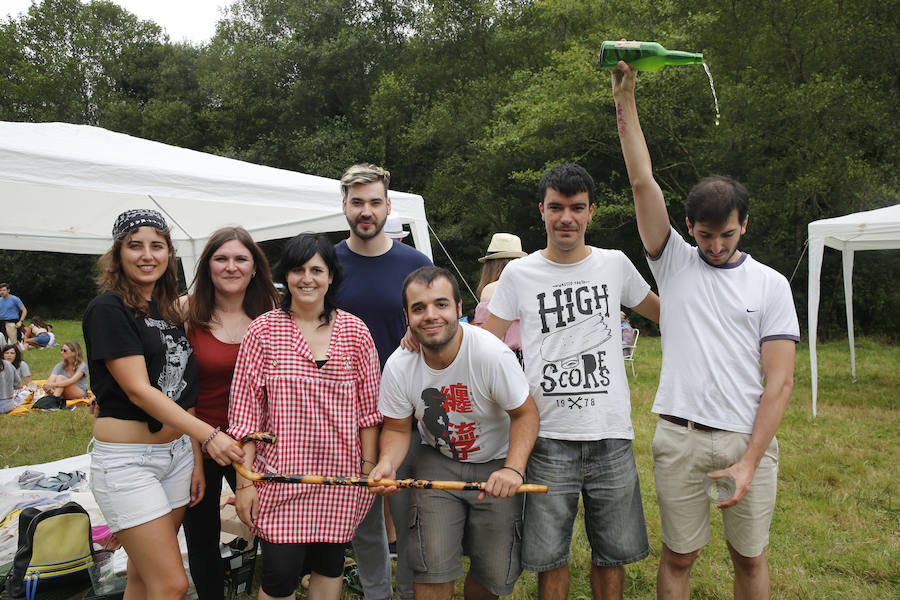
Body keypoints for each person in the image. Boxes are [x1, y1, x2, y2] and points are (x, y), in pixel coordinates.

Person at [612, 60, 799, 600]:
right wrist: (625, 101)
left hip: (747, 439)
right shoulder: (673, 262)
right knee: (679, 557)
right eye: (706, 235)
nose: (717, 246)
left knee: (750, 559)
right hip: (680, 438)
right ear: (689, 227)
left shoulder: (770, 286)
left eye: (728, 235)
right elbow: (642, 181)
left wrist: (749, 460)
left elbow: (780, 383)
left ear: (745, 224)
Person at [482, 163, 660, 600]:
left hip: (610, 434)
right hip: (547, 437)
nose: (567, 218)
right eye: (557, 207)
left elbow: (668, 313)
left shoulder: (614, 265)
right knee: (549, 555)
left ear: (591, 212)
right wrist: (429, 337)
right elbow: (485, 343)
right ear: (541, 211)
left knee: (612, 554)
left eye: (577, 208)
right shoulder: (518, 275)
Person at [82, 208, 245, 600]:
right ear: (118, 253)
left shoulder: (169, 310)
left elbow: (183, 391)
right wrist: (209, 437)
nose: (146, 255)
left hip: (175, 457)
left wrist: (190, 457)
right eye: (134, 245)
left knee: (143, 577)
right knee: (171, 584)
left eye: (157, 246)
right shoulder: (108, 308)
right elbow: (139, 390)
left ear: (169, 253)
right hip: (128, 461)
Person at [228, 233, 382, 600]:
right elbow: (245, 414)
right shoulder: (263, 331)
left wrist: (367, 470)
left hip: (340, 480)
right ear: (286, 276)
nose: (307, 278)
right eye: (298, 269)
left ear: (331, 277)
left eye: (317, 269)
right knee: (280, 574)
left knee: (329, 564)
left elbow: (369, 413)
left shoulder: (356, 332)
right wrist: (244, 484)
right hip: (280, 479)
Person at [371, 266, 539, 600]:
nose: (430, 315)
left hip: (496, 463)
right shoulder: (399, 366)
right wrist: (388, 462)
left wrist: (513, 468)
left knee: (493, 575)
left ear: (459, 309)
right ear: (407, 315)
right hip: (438, 460)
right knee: (430, 564)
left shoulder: (491, 354)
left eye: (441, 304)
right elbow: (397, 426)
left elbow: (525, 414)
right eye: (419, 308)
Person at [333, 162, 432, 600]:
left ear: (388, 206)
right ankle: (377, 593)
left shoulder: (415, 263)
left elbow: (443, 323)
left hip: (406, 411)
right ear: (345, 207)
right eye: (357, 202)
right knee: (363, 514)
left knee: (409, 510)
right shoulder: (328, 264)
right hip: (345, 413)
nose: (366, 210)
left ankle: (410, 591)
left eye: (375, 202)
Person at [180, 227, 279, 600]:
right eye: (221, 258)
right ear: (207, 266)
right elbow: (176, 389)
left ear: (255, 267)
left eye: (241, 258)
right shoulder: (185, 311)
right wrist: (193, 457)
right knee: (202, 536)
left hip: (259, 444)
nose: (231, 266)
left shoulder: (274, 314)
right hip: (200, 442)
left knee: (272, 530)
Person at [471, 233, 527, 357]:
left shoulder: (491, 289)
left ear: (490, 266)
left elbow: (485, 339)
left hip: (503, 358)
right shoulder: (532, 286)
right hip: (533, 360)